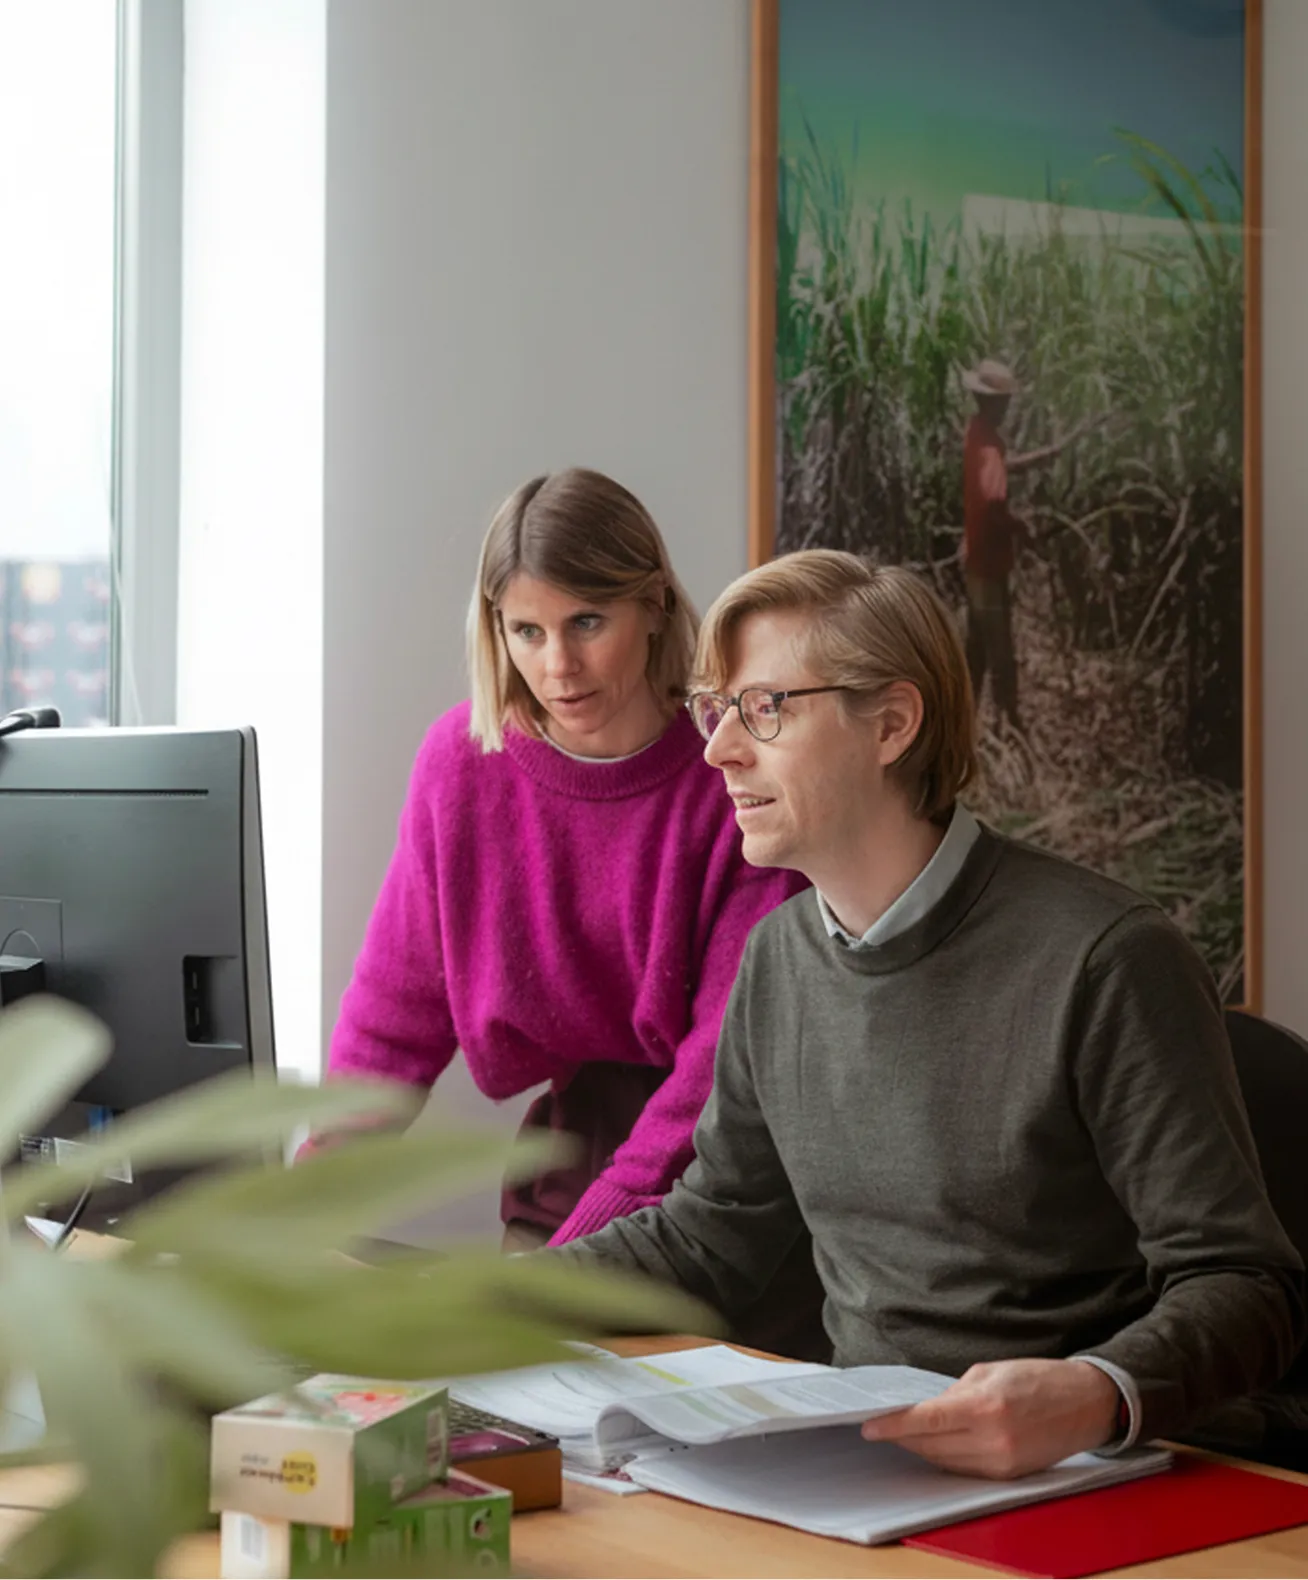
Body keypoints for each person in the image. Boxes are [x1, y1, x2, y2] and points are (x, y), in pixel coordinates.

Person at [550, 548, 1305, 1479]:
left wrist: (1096, 1392)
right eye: (718, 709)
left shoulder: (1108, 957)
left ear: (893, 724)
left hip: (1092, 1472)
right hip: (867, 1466)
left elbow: (1249, 1284)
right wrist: (467, 1298)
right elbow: (711, 1234)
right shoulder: (778, 962)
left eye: (765, 709)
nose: (719, 749)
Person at [318, 468, 807, 1261]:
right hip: (567, 1168)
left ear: (652, 605)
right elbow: (392, 1018)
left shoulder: (735, 768)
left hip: (730, 1187)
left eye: (587, 621)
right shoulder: (461, 763)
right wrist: (301, 1210)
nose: (558, 669)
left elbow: (723, 1063)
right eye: (527, 631)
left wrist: (573, 1259)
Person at [961, 359, 1029, 732]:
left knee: (976, 649)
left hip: (976, 561)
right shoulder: (989, 444)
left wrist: (1029, 461)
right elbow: (991, 500)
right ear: (993, 404)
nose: (1007, 409)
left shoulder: (976, 433)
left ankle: (964, 726)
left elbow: (990, 475)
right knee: (1000, 651)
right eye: (1004, 403)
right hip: (989, 564)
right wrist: (1018, 526)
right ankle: (1011, 726)